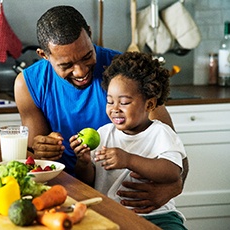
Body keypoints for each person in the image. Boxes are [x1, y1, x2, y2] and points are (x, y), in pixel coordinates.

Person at [14, 5, 189, 214]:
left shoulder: (124, 74)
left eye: (87, 56)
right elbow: (36, 160)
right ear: (44, 55)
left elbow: (176, 154)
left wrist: (173, 187)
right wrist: (41, 148)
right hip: (60, 194)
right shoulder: (28, 84)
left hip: (126, 202)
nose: (81, 71)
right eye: (66, 65)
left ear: (89, 33)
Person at [70, 52, 187, 229]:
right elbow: (89, 181)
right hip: (110, 214)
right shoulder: (104, 133)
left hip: (157, 215)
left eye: (124, 103)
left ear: (149, 105)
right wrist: (84, 162)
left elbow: (172, 172)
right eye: (110, 102)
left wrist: (128, 160)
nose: (115, 109)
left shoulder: (161, 133)